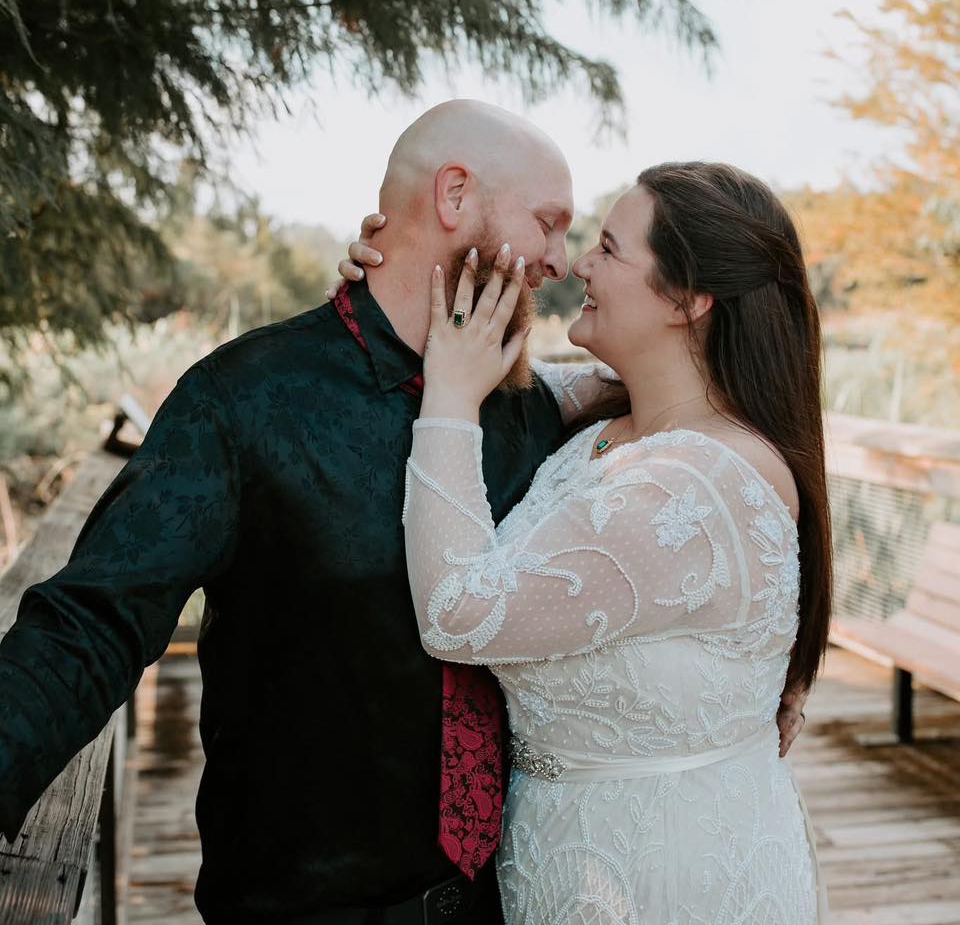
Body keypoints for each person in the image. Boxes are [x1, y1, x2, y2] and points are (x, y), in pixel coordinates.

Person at [0, 101, 808, 925]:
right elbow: (90, 624)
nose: (562, 262)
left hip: (516, 895)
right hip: (308, 909)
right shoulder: (248, 400)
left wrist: (761, 674)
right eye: (550, 225)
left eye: (588, 241)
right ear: (454, 197)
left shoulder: (528, 407)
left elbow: (704, 430)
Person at [337, 161, 831, 923]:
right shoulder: (615, 424)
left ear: (689, 300)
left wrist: (450, 400)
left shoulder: (690, 486)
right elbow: (507, 367)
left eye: (609, 247)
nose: (577, 266)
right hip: (568, 866)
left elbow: (457, 612)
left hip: (666, 882)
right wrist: (403, 268)